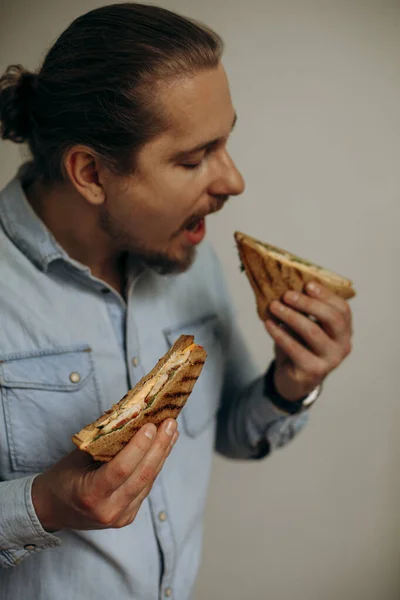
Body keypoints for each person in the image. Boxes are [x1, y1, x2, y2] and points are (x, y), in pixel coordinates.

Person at [0, 4, 353, 599]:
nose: (233, 181)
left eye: (226, 143)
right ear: (90, 172)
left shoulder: (190, 257)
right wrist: (45, 503)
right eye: (193, 158)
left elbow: (233, 431)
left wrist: (292, 383)